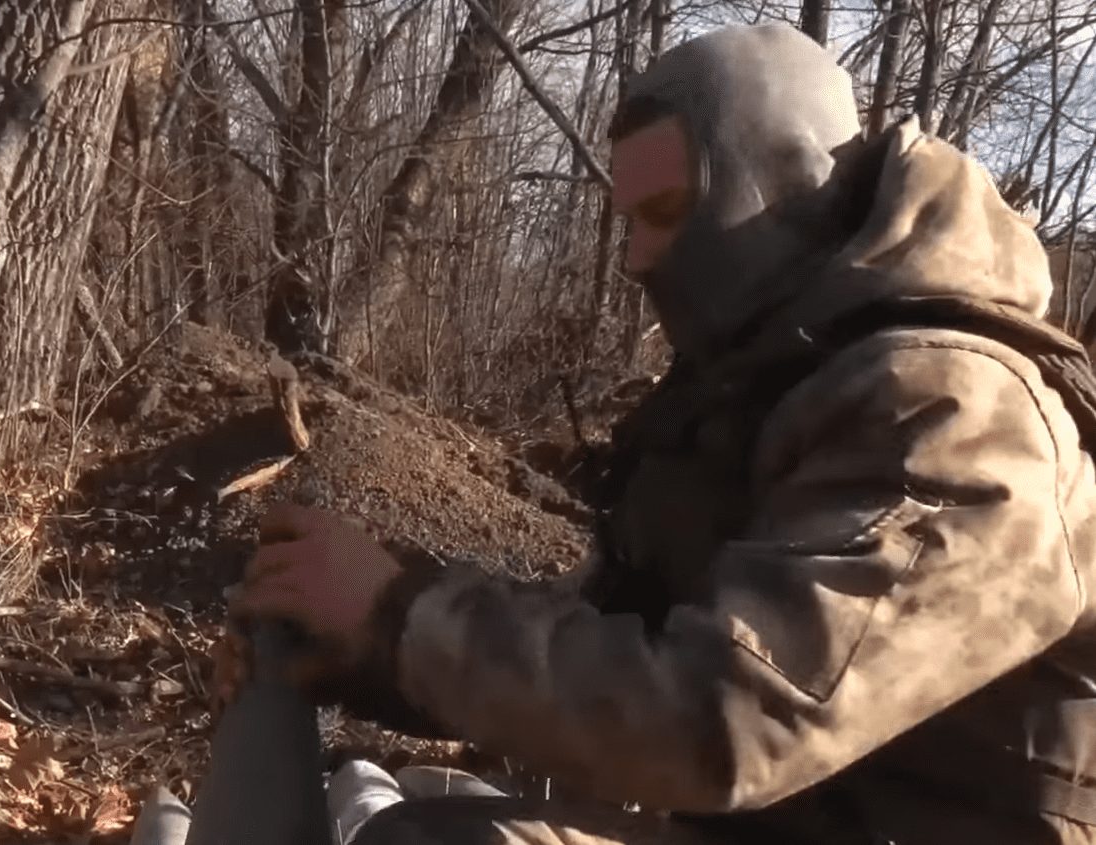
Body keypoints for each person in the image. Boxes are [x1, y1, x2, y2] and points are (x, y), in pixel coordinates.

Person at [214, 21, 1096, 845]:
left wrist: (398, 615)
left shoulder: (957, 415)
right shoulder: (761, 393)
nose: (637, 257)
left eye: (667, 213)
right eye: (630, 221)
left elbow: (731, 716)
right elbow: (612, 641)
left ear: (783, 188)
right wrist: (365, 647)